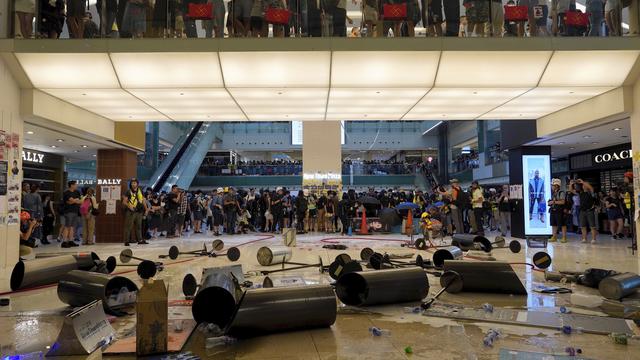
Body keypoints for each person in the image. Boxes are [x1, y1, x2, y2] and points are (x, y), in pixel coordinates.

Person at [122, 178, 148, 246]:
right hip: (131, 211)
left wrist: (146, 209)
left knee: (139, 226)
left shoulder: (140, 191)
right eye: (132, 183)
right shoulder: (128, 191)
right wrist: (129, 206)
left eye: (135, 183)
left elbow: (143, 200)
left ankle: (140, 240)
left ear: (137, 184)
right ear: (130, 184)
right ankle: (126, 241)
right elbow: (124, 202)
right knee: (128, 226)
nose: (133, 184)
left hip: (139, 211)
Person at [62, 181, 82, 248]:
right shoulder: (66, 193)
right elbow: (70, 200)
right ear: (71, 185)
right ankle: (64, 241)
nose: (77, 185)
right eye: (76, 184)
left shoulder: (77, 192)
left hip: (75, 211)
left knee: (72, 227)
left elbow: (80, 201)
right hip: (68, 211)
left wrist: (73, 201)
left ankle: (71, 241)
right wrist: (74, 201)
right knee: (67, 226)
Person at [548, 178, 568, 243]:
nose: (551, 186)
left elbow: (562, 202)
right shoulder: (553, 193)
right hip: (553, 210)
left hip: (560, 210)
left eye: (553, 185)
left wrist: (553, 202)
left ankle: (564, 237)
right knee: (554, 224)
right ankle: (554, 237)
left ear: (556, 185)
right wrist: (550, 202)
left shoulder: (561, 192)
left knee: (562, 224)